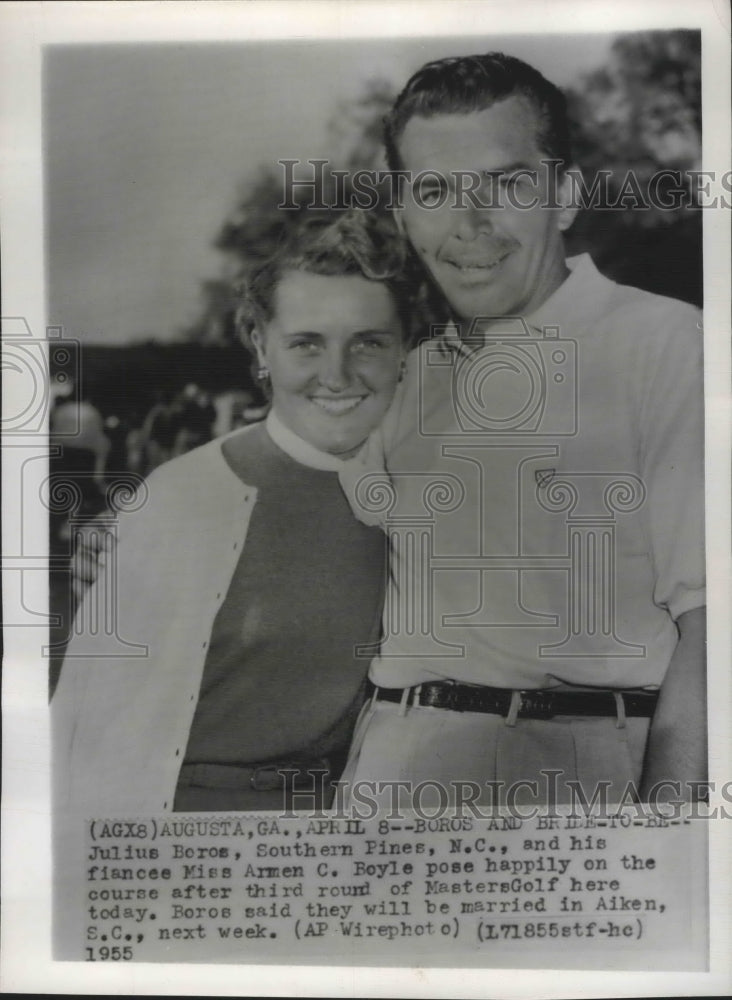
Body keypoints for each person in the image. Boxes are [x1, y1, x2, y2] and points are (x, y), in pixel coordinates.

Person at [338, 52, 705, 808]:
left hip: (586, 767)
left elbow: (717, 628)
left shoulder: (667, 342)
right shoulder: (404, 378)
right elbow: (295, 527)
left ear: (563, 196)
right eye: (434, 191)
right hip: (397, 764)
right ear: (404, 213)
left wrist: (675, 843)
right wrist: (145, 539)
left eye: (505, 185)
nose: (468, 226)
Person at [52, 208, 412, 820]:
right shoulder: (180, 498)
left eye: (369, 342)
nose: (338, 375)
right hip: (180, 836)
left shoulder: (431, 491)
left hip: (346, 838)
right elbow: (85, 735)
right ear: (260, 347)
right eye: (306, 343)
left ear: (405, 349)